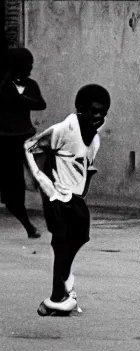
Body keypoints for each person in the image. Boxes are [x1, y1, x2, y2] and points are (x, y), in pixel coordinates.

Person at [24, 84, 108, 316]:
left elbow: (84, 167)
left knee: (81, 236)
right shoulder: (64, 129)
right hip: (57, 196)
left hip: (75, 198)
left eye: (104, 113)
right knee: (61, 242)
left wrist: (86, 180)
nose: (99, 116)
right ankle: (55, 298)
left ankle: (64, 278)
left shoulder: (95, 140)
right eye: (95, 110)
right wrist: (42, 180)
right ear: (81, 109)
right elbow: (30, 146)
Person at [1, 48, 45, 238]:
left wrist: (22, 99)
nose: (30, 68)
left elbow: (40, 103)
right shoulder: (4, 85)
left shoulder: (30, 85)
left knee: (42, 176)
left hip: (26, 138)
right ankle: (28, 225)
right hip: (7, 140)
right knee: (14, 188)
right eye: (27, 65)